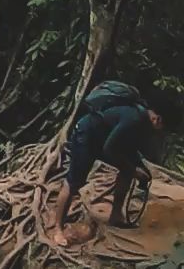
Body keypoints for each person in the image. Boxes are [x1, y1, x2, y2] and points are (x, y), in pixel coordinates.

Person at [54, 85, 164, 239]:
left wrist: (140, 169)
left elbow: (128, 148)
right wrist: (134, 170)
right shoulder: (134, 118)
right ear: (157, 119)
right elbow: (109, 149)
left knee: (129, 170)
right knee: (74, 182)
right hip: (86, 135)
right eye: (160, 127)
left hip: (102, 138)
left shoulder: (141, 118)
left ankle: (116, 216)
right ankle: (58, 229)